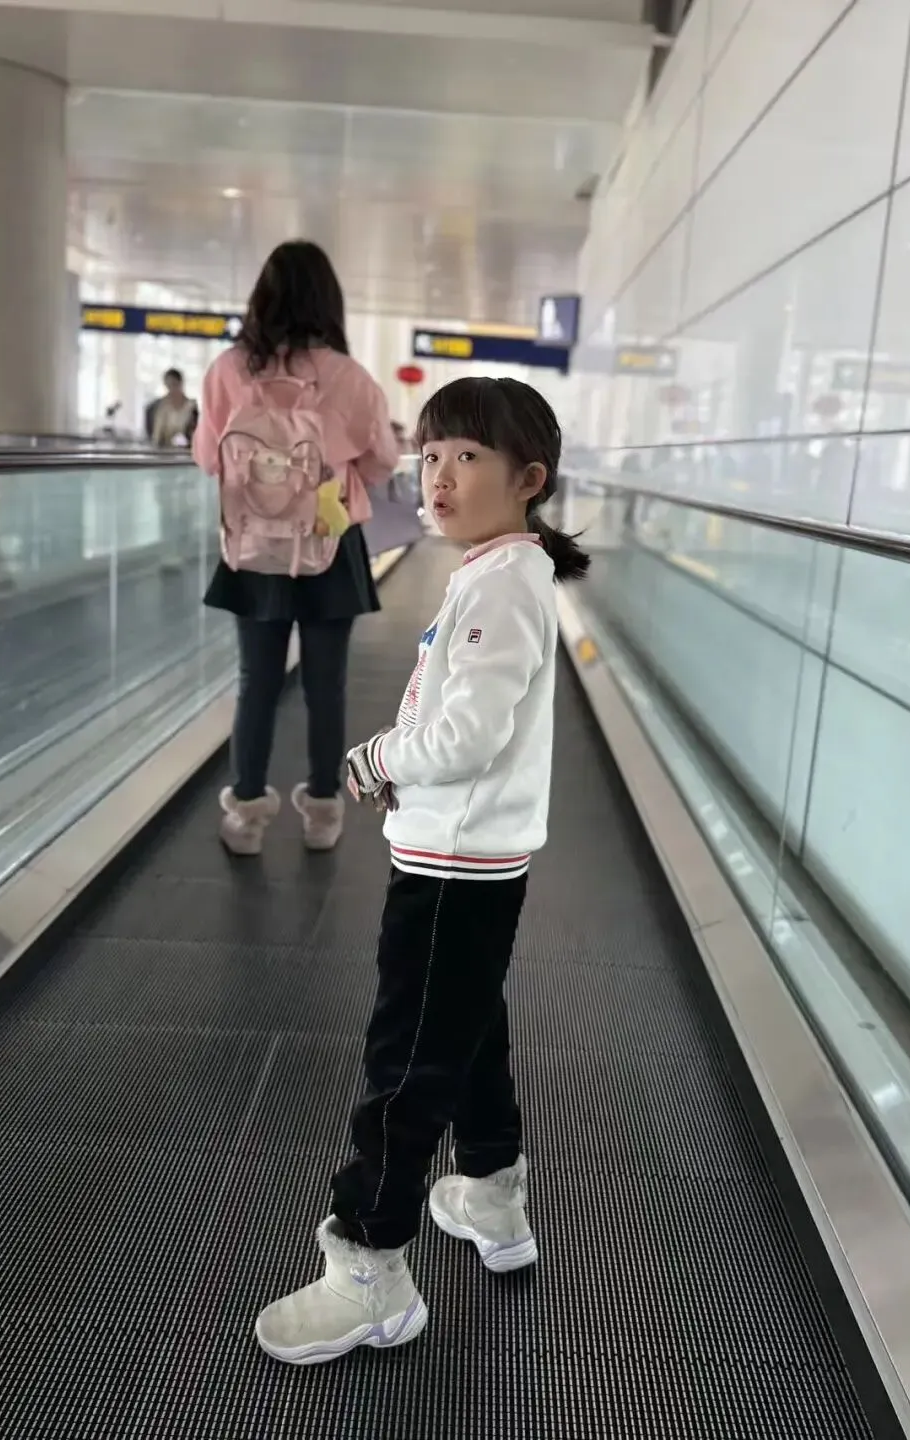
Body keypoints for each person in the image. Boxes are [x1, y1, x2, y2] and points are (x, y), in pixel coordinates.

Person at [254, 376, 590, 1366]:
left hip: (454, 868)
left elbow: (468, 733)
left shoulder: (505, 582)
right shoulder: (497, 570)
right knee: (468, 1028)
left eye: (468, 457)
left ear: (529, 478)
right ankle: (490, 1193)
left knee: (405, 1062)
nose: (439, 476)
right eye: (432, 454)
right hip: (466, 856)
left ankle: (370, 1268)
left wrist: (376, 759)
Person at [193, 240, 399, 854]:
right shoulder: (349, 378)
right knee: (325, 685)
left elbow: (207, 456)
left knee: (255, 681)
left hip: (254, 546)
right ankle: (323, 812)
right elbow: (383, 461)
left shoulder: (229, 370)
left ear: (262, 297)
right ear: (328, 301)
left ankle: (246, 817)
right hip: (330, 540)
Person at [146, 368, 198, 448]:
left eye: (174, 385)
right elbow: (156, 436)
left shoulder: (191, 407)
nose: (172, 389)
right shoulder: (161, 407)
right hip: (164, 450)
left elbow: (193, 434)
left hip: (185, 450)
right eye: (168, 386)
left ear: (181, 384)